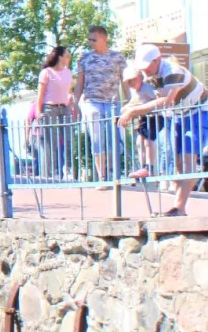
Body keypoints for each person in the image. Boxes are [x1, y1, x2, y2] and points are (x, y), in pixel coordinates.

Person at [118, 44, 206, 217]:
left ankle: (178, 208)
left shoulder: (172, 71)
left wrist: (135, 111)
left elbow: (166, 101)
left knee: (187, 161)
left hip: (198, 112)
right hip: (179, 115)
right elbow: (145, 98)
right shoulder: (149, 74)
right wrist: (128, 108)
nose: (144, 71)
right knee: (180, 164)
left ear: (157, 60)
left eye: (146, 66)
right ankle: (182, 202)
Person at [71, 25, 126, 182]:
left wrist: (130, 101)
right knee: (96, 140)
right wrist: (75, 103)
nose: (91, 42)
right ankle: (101, 176)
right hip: (92, 102)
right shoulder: (85, 58)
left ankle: (111, 172)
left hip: (113, 103)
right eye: (89, 39)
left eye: (94, 39)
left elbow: (125, 81)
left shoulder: (118, 58)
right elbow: (79, 83)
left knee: (114, 140)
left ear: (104, 39)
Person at [31, 46, 75, 179]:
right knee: (52, 142)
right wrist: (39, 113)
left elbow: (69, 91)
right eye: (67, 55)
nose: (68, 58)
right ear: (60, 56)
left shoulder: (68, 72)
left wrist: (72, 104)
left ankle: (68, 170)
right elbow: (41, 94)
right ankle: (54, 172)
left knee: (69, 139)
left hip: (64, 108)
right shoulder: (47, 72)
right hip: (50, 108)